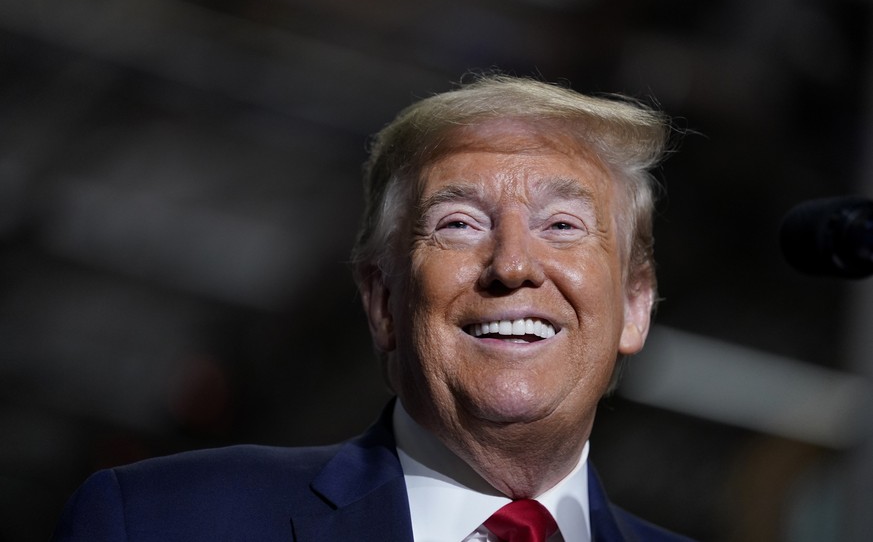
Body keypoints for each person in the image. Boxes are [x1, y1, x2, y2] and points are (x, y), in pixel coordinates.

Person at [51, 75, 693, 541]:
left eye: (562, 225)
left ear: (635, 306)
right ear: (383, 301)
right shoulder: (161, 521)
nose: (513, 265)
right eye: (460, 223)